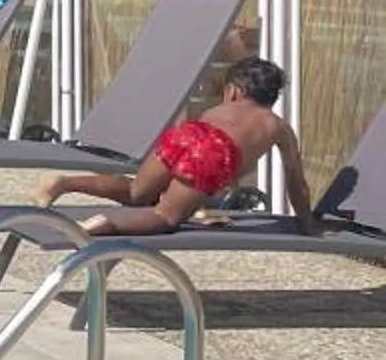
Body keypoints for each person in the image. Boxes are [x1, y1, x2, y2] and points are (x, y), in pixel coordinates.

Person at [33, 57, 316, 237]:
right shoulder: (276, 127)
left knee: (136, 192)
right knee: (164, 217)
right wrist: (307, 223)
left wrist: (196, 207)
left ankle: (62, 182)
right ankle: (107, 225)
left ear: (233, 91)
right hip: (215, 151)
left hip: (189, 133)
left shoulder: (216, 111)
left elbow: (189, 167)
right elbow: (296, 183)